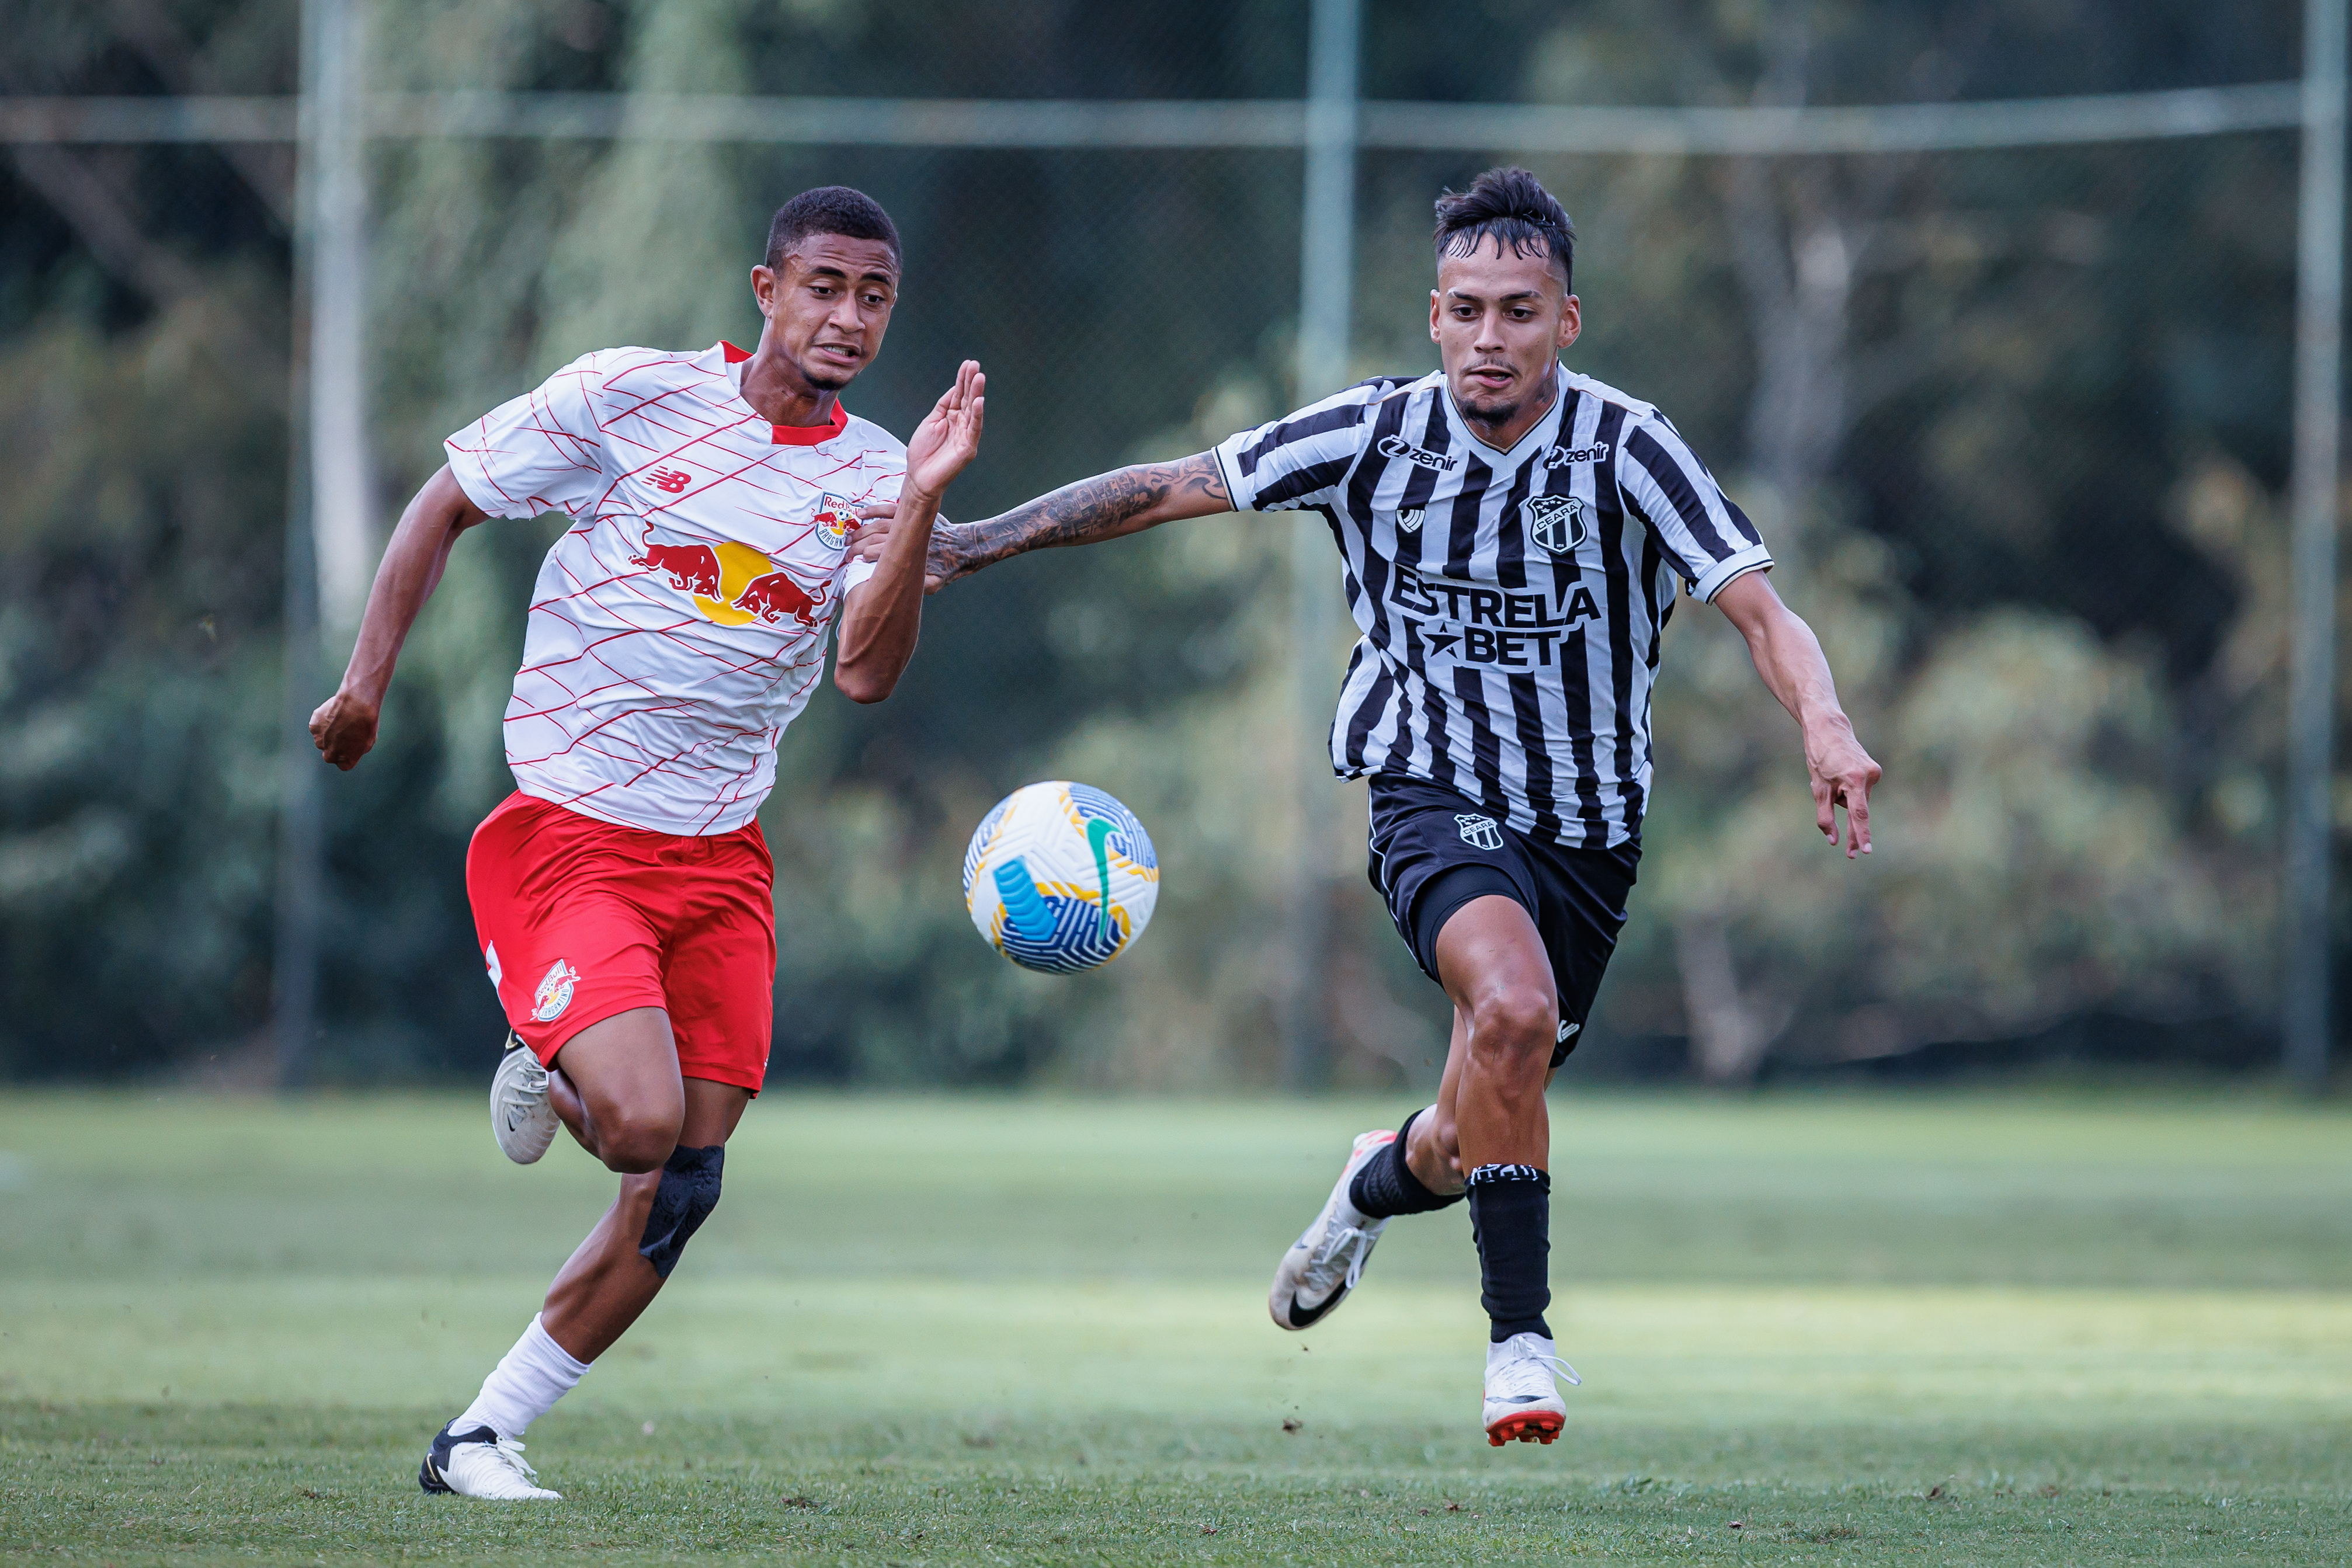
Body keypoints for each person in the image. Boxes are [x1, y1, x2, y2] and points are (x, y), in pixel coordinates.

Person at [852, 166, 1879, 1447]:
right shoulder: (1373, 434)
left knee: (1467, 1126)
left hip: (1588, 831)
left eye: (1519, 311)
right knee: (1513, 1009)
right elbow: (1173, 485)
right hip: (1428, 791)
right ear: (1434, 315)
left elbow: (1760, 609)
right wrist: (970, 539)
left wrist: (1824, 720)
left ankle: (1368, 1187)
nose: (1489, 336)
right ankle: (1520, 1345)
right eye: (1466, 309)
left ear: (1566, 321)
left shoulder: (1628, 446)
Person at [307, 186, 983, 1499]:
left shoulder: (874, 473)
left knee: (683, 1185)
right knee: (638, 1125)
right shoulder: (631, 394)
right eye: (825, 286)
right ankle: (547, 1048)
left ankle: (480, 1435)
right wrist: (365, 686)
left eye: (875, 297)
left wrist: (917, 506)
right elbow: (443, 502)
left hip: (721, 858)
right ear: (766, 289)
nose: (849, 317)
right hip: (570, 832)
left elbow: (864, 672)